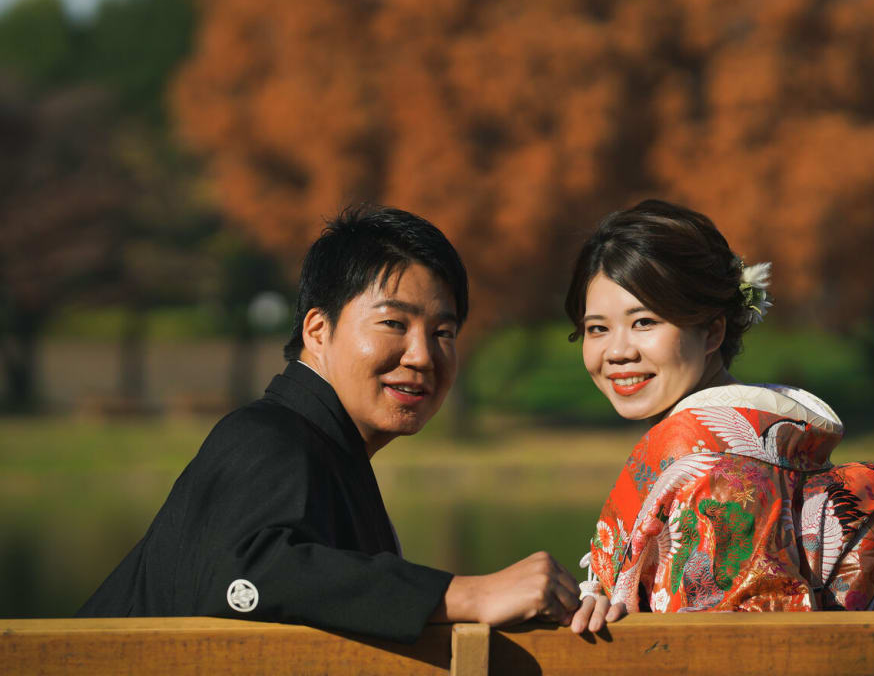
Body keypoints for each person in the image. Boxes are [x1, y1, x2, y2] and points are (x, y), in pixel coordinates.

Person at [78, 204, 582, 642]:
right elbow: (248, 575)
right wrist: (468, 594)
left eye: (444, 331)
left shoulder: (325, 451)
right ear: (318, 330)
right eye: (393, 323)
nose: (423, 355)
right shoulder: (266, 438)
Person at [565, 199, 874, 633]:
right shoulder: (784, 454)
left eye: (644, 322)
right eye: (597, 328)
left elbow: (733, 652)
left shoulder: (712, 475)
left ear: (712, 331)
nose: (618, 352)